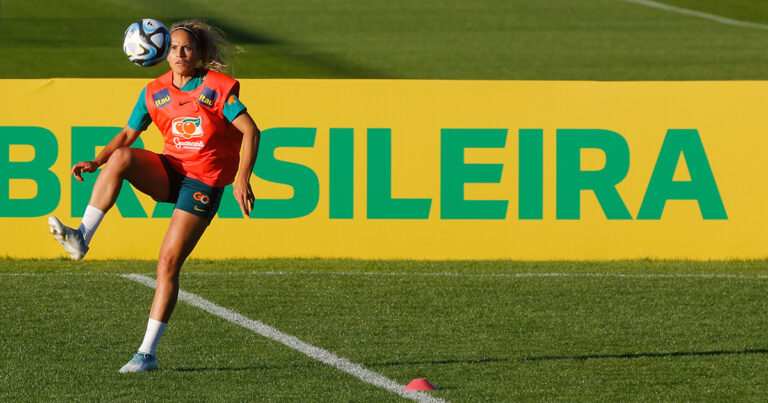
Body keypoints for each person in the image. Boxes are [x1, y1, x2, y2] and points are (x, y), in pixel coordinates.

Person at [47, 19, 260, 373]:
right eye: (174, 48)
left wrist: (242, 178)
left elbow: (251, 131)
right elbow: (128, 133)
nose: (180, 53)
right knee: (122, 158)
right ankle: (81, 237)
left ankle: (146, 354)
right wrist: (97, 160)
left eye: (187, 48)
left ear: (199, 53)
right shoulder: (154, 92)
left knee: (167, 263)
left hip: (203, 183)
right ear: (163, 52)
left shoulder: (216, 88)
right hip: (170, 172)